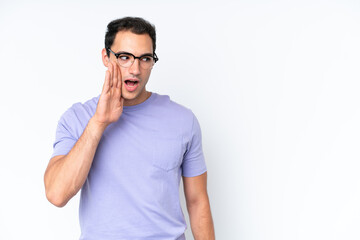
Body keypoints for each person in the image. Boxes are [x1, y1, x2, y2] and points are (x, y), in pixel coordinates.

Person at [44, 16, 215, 240]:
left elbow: (197, 202)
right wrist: (99, 123)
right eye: (124, 57)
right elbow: (57, 194)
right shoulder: (78, 118)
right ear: (106, 57)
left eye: (145, 58)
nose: (135, 69)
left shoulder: (183, 120)